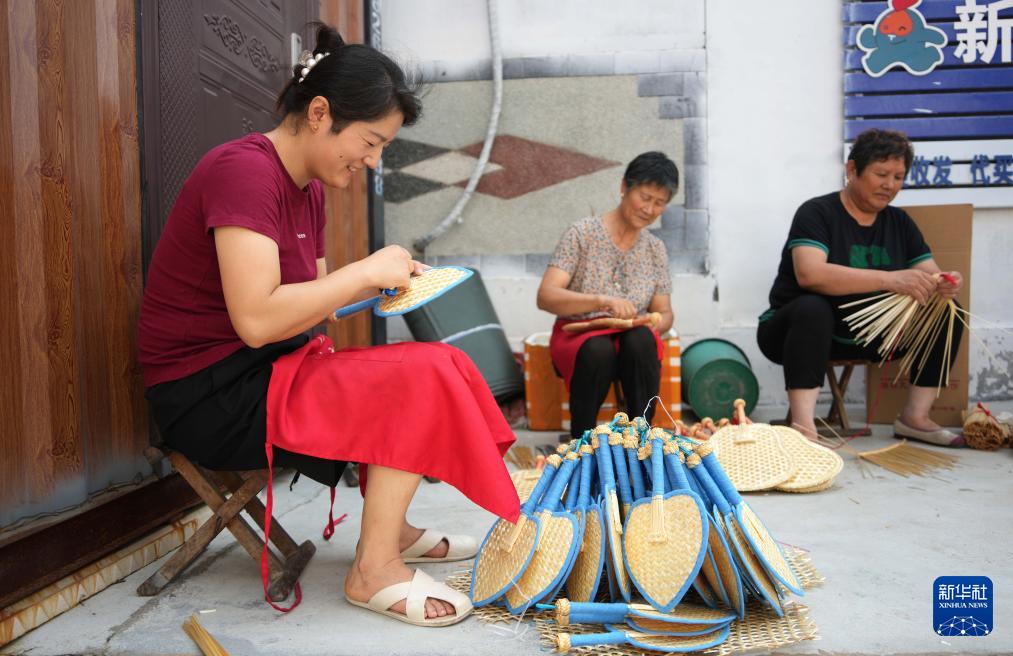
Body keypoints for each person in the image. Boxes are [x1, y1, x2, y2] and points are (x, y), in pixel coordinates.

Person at [138, 24, 519, 626]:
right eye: (371, 141)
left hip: (268, 371)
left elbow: (314, 306)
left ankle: (392, 527)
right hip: (210, 393)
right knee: (412, 376)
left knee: (433, 361)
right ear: (320, 114)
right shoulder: (242, 172)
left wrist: (378, 287)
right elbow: (259, 320)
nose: (374, 161)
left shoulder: (307, 190)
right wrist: (363, 270)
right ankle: (373, 571)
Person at [756, 128, 964, 446]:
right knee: (813, 307)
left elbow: (929, 274)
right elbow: (810, 275)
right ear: (852, 171)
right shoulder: (817, 212)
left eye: (898, 176)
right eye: (881, 174)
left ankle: (915, 417)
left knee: (947, 313)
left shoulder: (900, 222)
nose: (890, 185)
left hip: (871, 336)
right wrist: (891, 279)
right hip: (792, 333)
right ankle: (803, 428)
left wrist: (943, 284)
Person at [536, 152, 677, 439]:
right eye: (645, 197)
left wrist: (650, 322)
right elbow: (546, 296)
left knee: (639, 341)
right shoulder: (582, 233)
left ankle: (640, 439)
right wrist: (602, 301)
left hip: (631, 335)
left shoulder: (655, 249)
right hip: (580, 334)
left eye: (659, 203)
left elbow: (664, 311)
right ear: (625, 186)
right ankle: (583, 442)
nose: (649, 209)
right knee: (598, 349)